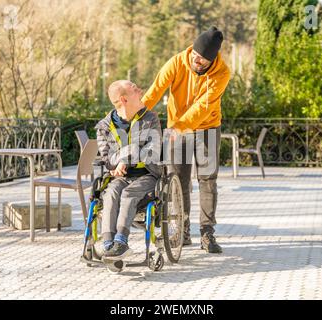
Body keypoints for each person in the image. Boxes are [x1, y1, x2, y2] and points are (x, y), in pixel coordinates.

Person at [142, 26, 231, 254]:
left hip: (208, 128)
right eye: (195, 56)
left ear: (212, 61)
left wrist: (178, 127)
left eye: (202, 60)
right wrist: (136, 116)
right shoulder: (178, 61)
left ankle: (207, 232)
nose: (196, 61)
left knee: (207, 180)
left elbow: (203, 107)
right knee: (178, 180)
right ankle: (182, 230)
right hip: (177, 129)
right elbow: (155, 91)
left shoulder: (222, 73)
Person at [95, 80, 162, 260]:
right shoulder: (104, 126)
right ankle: (108, 243)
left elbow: (152, 152)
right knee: (111, 193)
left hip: (147, 175)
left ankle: (121, 241)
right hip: (119, 176)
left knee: (128, 193)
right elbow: (107, 158)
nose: (139, 89)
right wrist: (121, 160)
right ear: (124, 99)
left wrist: (125, 158)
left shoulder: (150, 119)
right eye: (134, 88)